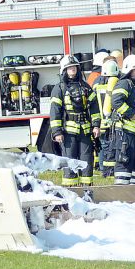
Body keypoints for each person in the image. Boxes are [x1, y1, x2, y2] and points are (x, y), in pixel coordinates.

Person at [48, 55, 101, 186]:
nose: (72, 70)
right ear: (64, 70)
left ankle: (88, 192)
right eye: (69, 67)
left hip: (85, 131)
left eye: (74, 67)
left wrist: (96, 126)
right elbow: (55, 112)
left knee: (86, 161)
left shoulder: (86, 87)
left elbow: (94, 107)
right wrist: (57, 132)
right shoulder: (59, 88)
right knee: (70, 162)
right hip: (68, 134)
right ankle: (71, 192)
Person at [110, 55, 135, 185]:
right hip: (125, 132)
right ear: (128, 70)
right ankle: (121, 194)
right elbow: (116, 101)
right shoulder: (124, 83)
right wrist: (131, 113)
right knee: (124, 163)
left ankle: (134, 193)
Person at [92, 59, 120, 177]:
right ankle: (109, 171)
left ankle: (104, 169)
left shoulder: (97, 84)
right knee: (112, 146)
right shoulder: (116, 82)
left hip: (100, 121)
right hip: (112, 121)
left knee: (103, 146)